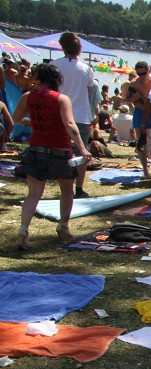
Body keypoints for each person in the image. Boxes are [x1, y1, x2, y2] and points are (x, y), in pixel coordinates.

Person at [12, 63, 89, 250]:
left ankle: (23, 230)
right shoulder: (62, 99)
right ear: (56, 80)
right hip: (60, 151)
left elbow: (16, 118)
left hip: (37, 149)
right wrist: (83, 148)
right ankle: (63, 226)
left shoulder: (27, 97)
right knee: (67, 191)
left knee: (33, 194)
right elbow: (70, 125)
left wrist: (31, 123)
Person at [51, 32, 93, 199]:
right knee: (82, 153)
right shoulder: (87, 69)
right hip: (81, 115)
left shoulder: (54, 66)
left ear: (62, 47)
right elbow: (89, 92)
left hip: (60, 114)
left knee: (61, 151)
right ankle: (79, 187)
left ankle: (64, 184)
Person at [125, 61, 151, 178]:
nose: (142, 76)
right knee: (141, 142)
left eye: (144, 73)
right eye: (139, 74)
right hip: (139, 113)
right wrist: (133, 98)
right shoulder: (133, 84)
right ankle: (145, 171)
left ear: (149, 70)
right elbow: (127, 99)